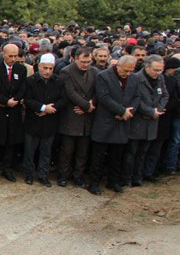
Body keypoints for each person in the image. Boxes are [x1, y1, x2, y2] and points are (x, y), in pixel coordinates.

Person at [87, 56, 138, 195]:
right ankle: (94, 183)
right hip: (105, 121)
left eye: (131, 71)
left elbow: (136, 97)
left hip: (122, 122)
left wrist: (128, 112)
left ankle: (113, 181)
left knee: (117, 156)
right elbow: (104, 97)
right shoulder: (104, 76)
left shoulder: (134, 78)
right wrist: (121, 111)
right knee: (99, 156)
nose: (127, 74)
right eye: (125, 70)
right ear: (118, 66)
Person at [0, 43, 27, 181]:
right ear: (4, 54)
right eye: (10, 56)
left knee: (11, 142)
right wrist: (5, 101)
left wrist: (16, 99)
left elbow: (23, 87)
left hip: (13, 110)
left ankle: (7, 168)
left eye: (16, 56)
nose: (13, 59)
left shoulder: (21, 69)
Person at [122, 55, 167, 187]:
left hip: (152, 121)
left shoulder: (160, 79)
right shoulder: (135, 78)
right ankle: (127, 179)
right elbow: (135, 99)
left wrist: (158, 109)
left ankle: (138, 177)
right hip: (138, 121)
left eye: (160, 70)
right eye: (156, 70)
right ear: (147, 67)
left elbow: (165, 95)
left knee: (143, 153)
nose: (158, 73)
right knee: (131, 152)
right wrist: (149, 111)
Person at [56, 47, 98, 188]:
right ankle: (63, 175)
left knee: (82, 151)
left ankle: (78, 176)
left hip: (86, 117)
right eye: (83, 62)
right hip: (71, 115)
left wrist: (91, 103)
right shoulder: (66, 71)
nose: (86, 64)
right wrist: (86, 105)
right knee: (67, 150)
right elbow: (70, 92)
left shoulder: (94, 72)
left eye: (89, 61)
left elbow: (97, 91)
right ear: (75, 59)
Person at [22, 53, 64, 186]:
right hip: (33, 120)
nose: (47, 71)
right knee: (30, 150)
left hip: (50, 121)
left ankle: (43, 175)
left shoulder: (58, 81)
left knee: (46, 151)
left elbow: (63, 100)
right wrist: (42, 107)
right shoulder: (30, 81)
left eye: (50, 68)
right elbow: (27, 99)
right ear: (39, 66)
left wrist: (50, 109)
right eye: (45, 68)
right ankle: (29, 174)